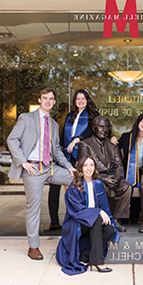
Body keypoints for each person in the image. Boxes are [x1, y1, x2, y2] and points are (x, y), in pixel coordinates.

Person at [7, 88, 76, 260]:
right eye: (45, 98)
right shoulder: (26, 118)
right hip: (33, 168)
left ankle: (79, 226)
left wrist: (69, 167)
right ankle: (34, 247)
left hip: (50, 167)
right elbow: (11, 139)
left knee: (77, 179)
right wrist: (23, 162)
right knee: (34, 207)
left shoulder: (53, 124)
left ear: (53, 102)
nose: (48, 101)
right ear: (39, 100)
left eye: (51, 99)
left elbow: (57, 151)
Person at [56, 156, 120, 275]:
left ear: (95, 168)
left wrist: (102, 213)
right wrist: (98, 212)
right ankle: (98, 262)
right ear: (80, 168)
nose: (89, 168)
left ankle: (85, 256)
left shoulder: (98, 184)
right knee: (95, 218)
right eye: (85, 165)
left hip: (92, 223)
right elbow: (77, 210)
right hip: (77, 223)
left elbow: (104, 206)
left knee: (110, 229)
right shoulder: (75, 186)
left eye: (91, 165)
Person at [48, 89, 98, 230]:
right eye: (78, 99)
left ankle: (78, 220)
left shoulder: (93, 116)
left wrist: (77, 140)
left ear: (87, 100)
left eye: (83, 98)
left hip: (80, 156)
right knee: (54, 184)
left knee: (77, 188)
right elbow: (64, 134)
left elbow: (90, 132)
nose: (80, 101)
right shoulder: (70, 116)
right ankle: (54, 220)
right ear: (75, 101)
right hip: (64, 155)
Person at [78, 115, 132, 232]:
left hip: (112, 177)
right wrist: (103, 178)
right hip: (96, 178)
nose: (105, 130)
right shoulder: (85, 144)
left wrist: (117, 178)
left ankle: (116, 220)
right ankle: (104, 219)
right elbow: (84, 168)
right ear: (94, 128)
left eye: (107, 127)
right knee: (101, 187)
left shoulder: (112, 144)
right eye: (101, 127)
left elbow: (119, 165)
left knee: (126, 186)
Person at [116, 113, 143, 223]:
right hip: (128, 172)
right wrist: (113, 139)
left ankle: (134, 222)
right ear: (138, 122)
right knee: (127, 195)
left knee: (137, 200)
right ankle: (123, 222)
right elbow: (114, 148)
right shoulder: (126, 137)